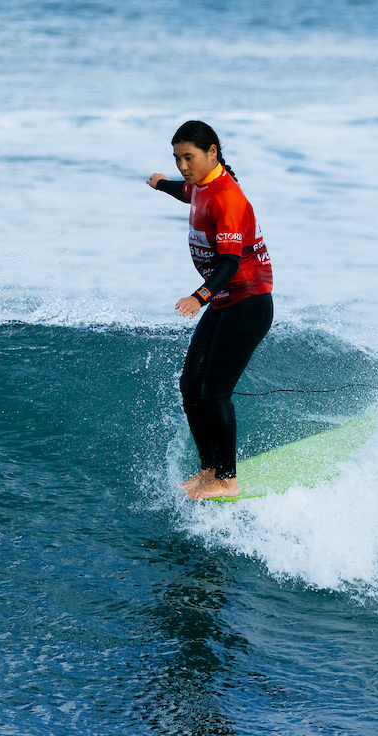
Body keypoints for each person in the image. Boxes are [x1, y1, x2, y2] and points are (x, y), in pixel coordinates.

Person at [146, 121, 274, 500]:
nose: (182, 165)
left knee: (215, 393)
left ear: (212, 152)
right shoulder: (202, 186)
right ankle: (209, 469)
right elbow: (186, 191)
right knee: (191, 386)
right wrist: (162, 183)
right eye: (177, 158)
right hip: (224, 302)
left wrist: (198, 297)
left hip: (248, 302)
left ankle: (228, 479)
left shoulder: (228, 198)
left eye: (188, 157)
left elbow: (230, 263)